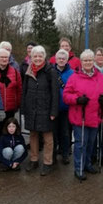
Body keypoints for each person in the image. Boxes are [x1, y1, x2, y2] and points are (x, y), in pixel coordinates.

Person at [63, 49, 103, 180]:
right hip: (80, 117)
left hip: (95, 116)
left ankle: (87, 163)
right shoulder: (74, 77)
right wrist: (77, 100)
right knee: (80, 143)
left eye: (90, 60)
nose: (88, 62)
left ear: (93, 61)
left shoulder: (101, 77)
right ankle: (78, 167)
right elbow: (66, 96)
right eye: (85, 60)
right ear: (81, 62)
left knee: (91, 143)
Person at [22, 45, 59, 176]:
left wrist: (54, 111)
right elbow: (24, 90)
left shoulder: (51, 71)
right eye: (35, 56)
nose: (37, 58)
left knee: (48, 137)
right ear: (31, 57)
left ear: (44, 57)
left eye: (40, 56)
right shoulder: (28, 70)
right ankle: (34, 160)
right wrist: (23, 107)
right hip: (31, 108)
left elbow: (55, 93)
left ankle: (48, 163)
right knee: (33, 135)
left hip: (46, 108)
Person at [0, 48, 22, 160]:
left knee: (9, 132)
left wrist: (18, 104)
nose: (4, 59)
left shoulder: (15, 72)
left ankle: (8, 154)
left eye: (6, 57)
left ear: (9, 59)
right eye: (1, 57)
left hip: (10, 108)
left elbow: (19, 89)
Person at [53, 49, 74, 165]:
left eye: (63, 58)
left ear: (67, 60)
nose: (61, 60)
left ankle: (65, 154)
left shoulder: (72, 74)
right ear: (56, 60)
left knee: (65, 132)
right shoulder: (51, 71)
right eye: (59, 58)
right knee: (54, 132)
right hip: (54, 108)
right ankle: (54, 154)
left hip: (66, 108)